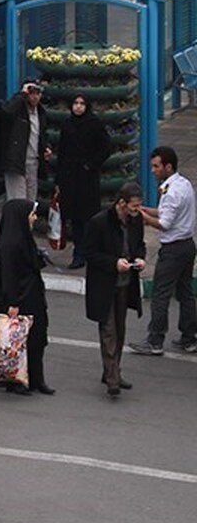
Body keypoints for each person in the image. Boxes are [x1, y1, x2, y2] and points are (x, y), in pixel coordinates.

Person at [130, 146, 197, 355]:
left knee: (161, 293)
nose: (153, 170)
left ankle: (155, 339)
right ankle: (189, 336)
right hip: (187, 245)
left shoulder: (170, 191)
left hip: (173, 249)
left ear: (168, 166)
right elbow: (168, 212)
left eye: (156, 166)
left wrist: (141, 217)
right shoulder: (183, 184)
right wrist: (148, 210)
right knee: (185, 292)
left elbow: (165, 223)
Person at [84, 183, 146, 396]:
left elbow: (140, 245)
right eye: (134, 206)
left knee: (120, 328)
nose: (137, 210)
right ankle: (112, 378)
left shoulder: (136, 221)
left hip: (125, 283)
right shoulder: (100, 222)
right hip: (104, 283)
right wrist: (113, 263)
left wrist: (139, 258)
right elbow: (90, 254)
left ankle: (112, 370)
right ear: (122, 203)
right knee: (108, 329)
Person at [0, 199, 53, 395]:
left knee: (35, 339)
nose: (34, 218)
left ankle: (36, 379)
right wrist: (13, 303)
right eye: (31, 214)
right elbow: (9, 276)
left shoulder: (21, 237)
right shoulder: (11, 244)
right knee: (19, 343)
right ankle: (16, 381)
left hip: (32, 297)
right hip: (20, 300)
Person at [55, 93, 112, 269]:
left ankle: (88, 251)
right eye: (75, 103)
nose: (78, 107)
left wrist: (91, 165)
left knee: (88, 217)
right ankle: (78, 254)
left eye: (81, 103)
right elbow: (62, 152)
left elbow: (105, 148)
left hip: (87, 179)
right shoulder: (67, 125)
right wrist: (59, 180)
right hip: (70, 178)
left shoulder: (94, 124)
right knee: (75, 218)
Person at [1, 81, 52, 201]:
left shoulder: (40, 113)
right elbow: (6, 112)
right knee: (17, 201)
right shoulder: (17, 111)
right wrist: (22, 94)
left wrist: (46, 147)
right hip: (16, 162)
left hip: (33, 162)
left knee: (30, 201)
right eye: (31, 93)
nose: (34, 97)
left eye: (38, 93)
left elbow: (41, 135)